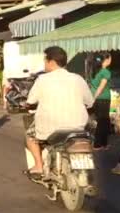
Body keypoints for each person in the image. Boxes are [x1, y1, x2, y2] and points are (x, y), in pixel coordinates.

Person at [25, 46, 94, 177]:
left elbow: (31, 101)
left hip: (51, 128)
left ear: (51, 62)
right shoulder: (78, 78)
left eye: (45, 60)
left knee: (30, 136)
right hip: (78, 127)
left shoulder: (43, 79)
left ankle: (39, 166)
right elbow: (90, 102)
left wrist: (27, 105)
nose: (44, 63)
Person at [91, 53, 113, 150]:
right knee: (102, 121)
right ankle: (97, 144)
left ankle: (103, 144)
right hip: (103, 99)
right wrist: (94, 97)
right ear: (107, 60)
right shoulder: (106, 72)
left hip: (98, 99)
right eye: (110, 58)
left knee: (104, 121)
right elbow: (101, 86)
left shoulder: (96, 71)